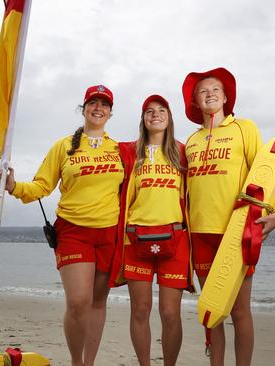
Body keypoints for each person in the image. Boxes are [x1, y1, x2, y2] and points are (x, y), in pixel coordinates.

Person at [0, 85, 123, 366]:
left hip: (109, 232)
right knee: (78, 303)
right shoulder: (63, 146)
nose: (98, 108)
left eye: (104, 104)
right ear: (84, 108)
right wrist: (14, 185)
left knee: (98, 303)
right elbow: (42, 185)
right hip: (73, 231)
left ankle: (89, 363)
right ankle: (77, 362)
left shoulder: (119, 149)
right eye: (93, 103)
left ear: (111, 112)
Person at [181, 68, 275, 366]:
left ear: (226, 97)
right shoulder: (190, 141)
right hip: (200, 234)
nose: (210, 93)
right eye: (203, 91)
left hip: (237, 231)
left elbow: (264, 173)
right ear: (196, 102)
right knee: (212, 312)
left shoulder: (245, 128)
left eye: (216, 89)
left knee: (240, 311)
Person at [109, 95, 193, 366]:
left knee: (170, 313)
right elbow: (96, 152)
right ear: (143, 120)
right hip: (136, 239)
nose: (155, 115)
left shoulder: (182, 152)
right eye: (149, 111)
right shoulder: (130, 151)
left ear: (169, 118)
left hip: (175, 239)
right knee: (141, 310)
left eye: (161, 110)